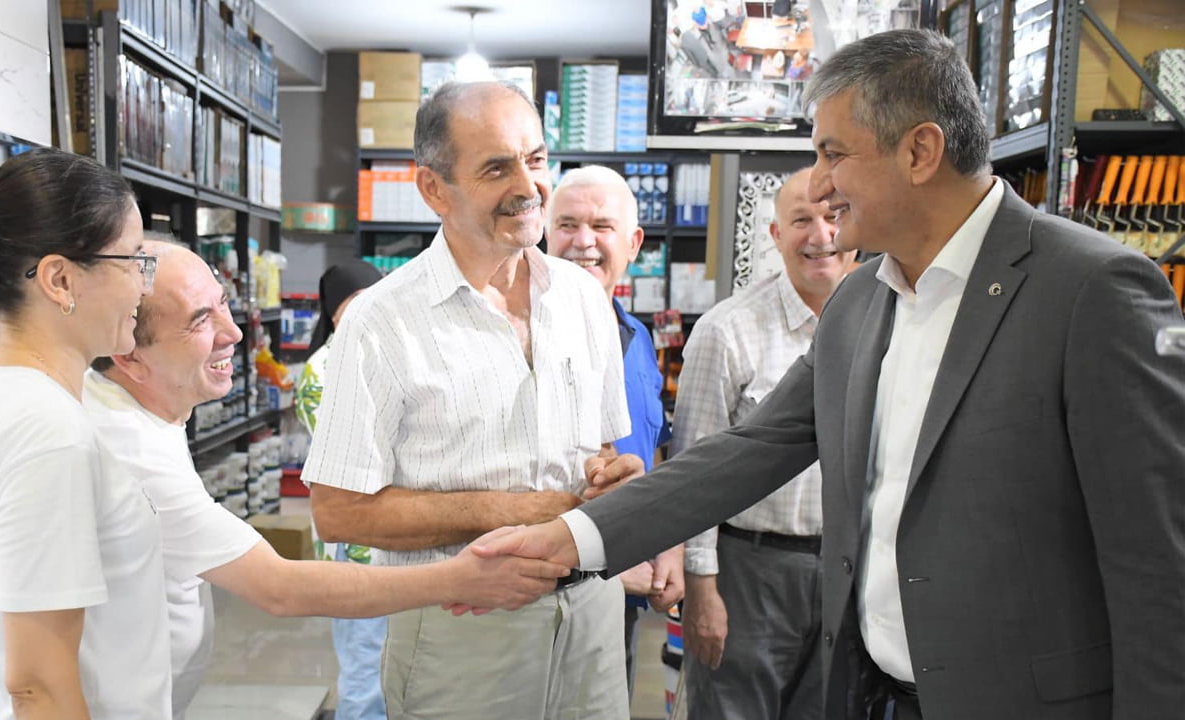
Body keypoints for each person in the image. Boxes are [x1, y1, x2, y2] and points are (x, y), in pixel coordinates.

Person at [473, 29, 1185, 720]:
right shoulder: (863, 301)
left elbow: (1160, 567)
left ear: (920, 151)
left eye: (832, 154)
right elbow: (750, 451)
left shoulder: (1092, 290)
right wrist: (575, 537)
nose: (818, 184)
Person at [84, 241, 569, 718]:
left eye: (223, 304)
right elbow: (280, 588)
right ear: (128, 354)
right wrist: (462, 578)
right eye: (199, 321)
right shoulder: (131, 451)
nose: (233, 332)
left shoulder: (138, 417)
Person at [302, 80, 642, 720]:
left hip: (593, 620)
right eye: (496, 167)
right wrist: (515, 511)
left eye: (537, 159)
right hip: (461, 630)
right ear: (433, 188)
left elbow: (600, 449)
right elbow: (340, 511)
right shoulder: (381, 323)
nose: (528, 185)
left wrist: (610, 474)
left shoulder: (582, 299)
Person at [0, 147, 173, 718]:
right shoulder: (47, 432)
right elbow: (38, 686)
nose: (143, 287)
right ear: (59, 278)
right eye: (133, 261)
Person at [676, 166, 852, 720]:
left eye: (832, 216)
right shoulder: (727, 330)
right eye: (801, 219)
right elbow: (693, 477)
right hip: (749, 573)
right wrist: (701, 591)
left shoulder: (889, 322)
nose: (820, 234)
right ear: (775, 235)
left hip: (849, 570)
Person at [544, 164, 684, 695]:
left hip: (622, 596)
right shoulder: (517, 340)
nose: (584, 241)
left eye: (602, 226)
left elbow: (654, 451)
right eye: (567, 224)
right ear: (544, 233)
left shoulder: (637, 337)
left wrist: (668, 544)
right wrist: (601, 562)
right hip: (546, 597)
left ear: (634, 242)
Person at [294, 259, 387, 720]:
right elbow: (358, 457)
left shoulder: (388, 352)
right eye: (356, 303)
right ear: (334, 313)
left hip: (400, 541)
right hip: (358, 546)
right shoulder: (322, 369)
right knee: (365, 669)